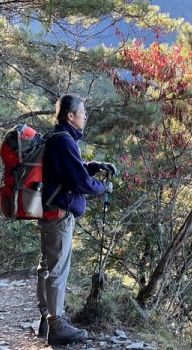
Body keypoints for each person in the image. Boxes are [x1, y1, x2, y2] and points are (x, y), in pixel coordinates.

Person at [36, 94, 118, 346]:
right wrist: (102, 187)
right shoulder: (64, 142)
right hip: (59, 215)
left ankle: (45, 319)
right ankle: (56, 324)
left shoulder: (58, 138)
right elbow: (78, 181)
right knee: (57, 270)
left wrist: (94, 165)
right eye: (83, 112)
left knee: (47, 267)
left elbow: (71, 168)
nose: (85, 116)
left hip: (48, 212)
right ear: (70, 115)